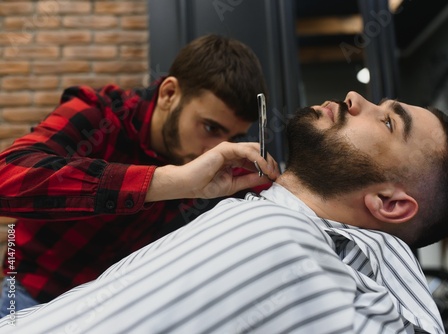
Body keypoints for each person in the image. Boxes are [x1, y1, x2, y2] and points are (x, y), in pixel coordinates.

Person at [0, 92, 448, 333]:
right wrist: (176, 183)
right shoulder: (263, 210)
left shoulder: (312, 260)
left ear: (390, 204)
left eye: (387, 121)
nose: (354, 99)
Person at [0, 34, 280, 316]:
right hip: (34, 298)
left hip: (119, 310)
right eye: (210, 128)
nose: (217, 150)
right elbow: (6, 177)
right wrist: (171, 181)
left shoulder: (218, 162)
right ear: (170, 93)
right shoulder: (99, 115)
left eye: (231, 138)